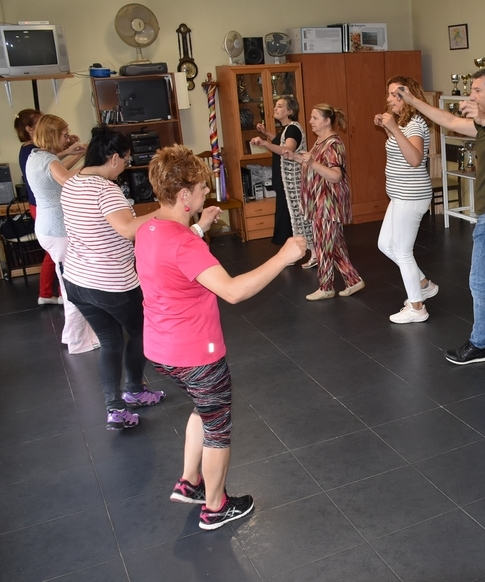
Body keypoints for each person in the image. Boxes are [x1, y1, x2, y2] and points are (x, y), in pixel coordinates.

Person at [135, 145, 308, 531]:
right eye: (200, 190)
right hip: (195, 352)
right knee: (218, 427)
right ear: (184, 197)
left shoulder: (148, 228)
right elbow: (232, 291)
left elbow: (174, 258)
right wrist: (283, 256)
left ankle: (190, 482)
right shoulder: (185, 244)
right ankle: (215, 507)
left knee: (202, 408)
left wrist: (199, 226)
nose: (204, 195)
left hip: (161, 350)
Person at [397, 66, 485, 368]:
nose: (471, 95)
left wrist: (484, 119)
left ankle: (479, 344)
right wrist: (413, 101)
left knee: (479, 282)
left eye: (477, 90)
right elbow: (447, 120)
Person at [61, 125, 165, 430]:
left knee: (109, 341)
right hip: (110, 283)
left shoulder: (72, 182)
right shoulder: (106, 190)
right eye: (127, 161)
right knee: (142, 331)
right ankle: (133, 390)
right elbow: (128, 229)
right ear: (115, 158)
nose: (126, 167)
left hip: (77, 281)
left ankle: (115, 408)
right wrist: (166, 211)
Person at [25, 115, 99, 354]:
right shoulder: (47, 159)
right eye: (64, 135)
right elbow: (67, 178)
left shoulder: (35, 156)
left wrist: (74, 153)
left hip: (48, 229)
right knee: (75, 288)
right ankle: (79, 341)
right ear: (52, 135)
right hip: (58, 230)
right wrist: (95, 165)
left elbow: (56, 170)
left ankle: (71, 335)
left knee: (70, 284)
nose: (67, 138)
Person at [374, 76, 439, 323]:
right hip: (400, 195)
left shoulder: (414, 124)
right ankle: (424, 285)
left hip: (411, 196)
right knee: (385, 245)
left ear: (408, 97)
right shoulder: (405, 123)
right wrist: (389, 128)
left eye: (395, 95)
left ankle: (417, 307)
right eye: (389, 94)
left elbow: (414, 159)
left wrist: (392, 129)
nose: (389, 99)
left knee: (402, 251)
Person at [283, 103, 364, 301]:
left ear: (327, 121)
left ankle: (326, 286)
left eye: (315, 118)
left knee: (322, 245)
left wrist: (311, 162)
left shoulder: (333, 144)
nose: (310, 121)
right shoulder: (320, 141)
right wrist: (295, 157)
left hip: (328, 203)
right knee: (333, 244)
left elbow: (335, 176)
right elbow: (314, 165)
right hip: (320, 201)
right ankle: (353, 280)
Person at [250, 95, 315, 266]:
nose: (275, 109)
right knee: (286, 216)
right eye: (276, 106)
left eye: (280, 106)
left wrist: (265, 144)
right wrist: (267, 134)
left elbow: (287, 149)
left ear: (290, 111)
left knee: (292, 216)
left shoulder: (293, 129)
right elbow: (280, 142)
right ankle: (292, 253)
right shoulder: (287, 129)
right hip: (285, 180)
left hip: (292, 182)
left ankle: (304, 252)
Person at [15, 109, 60, 305]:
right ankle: (47, 292)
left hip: (42, 206)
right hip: (42, 207)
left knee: (54, 252)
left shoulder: (34, 152)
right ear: (30, 129)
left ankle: (49, 292)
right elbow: (58, 173)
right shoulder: (33, 152)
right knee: (54, 253)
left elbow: (56, 169)